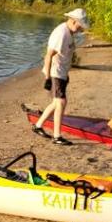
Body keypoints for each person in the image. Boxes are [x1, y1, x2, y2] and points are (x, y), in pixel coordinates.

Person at [33, 8, 90, 146]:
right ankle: (57, 136)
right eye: (79, 26)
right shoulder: (62, 33)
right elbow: (48, 55)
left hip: (62, 72)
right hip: (55, 73)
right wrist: (47, 77)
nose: (80, 29)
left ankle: (38, 125)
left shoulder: (69, 32)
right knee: (61, 103)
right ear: (73, 21)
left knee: (55, 103)